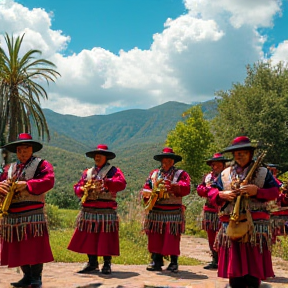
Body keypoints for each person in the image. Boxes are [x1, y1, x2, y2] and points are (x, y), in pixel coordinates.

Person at [208, 136, 279, 288]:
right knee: (235, 269)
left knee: (253, 269)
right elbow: (212, 191)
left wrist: (257, 192)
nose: (239, 155)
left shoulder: (263, 172)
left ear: (250, 154)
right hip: (232, 224)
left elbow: (275, 192)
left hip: (255, 225)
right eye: (236, 153)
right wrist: (221, 195)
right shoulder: (225, 174)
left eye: (243, 152)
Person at [0, 133, 55, 288]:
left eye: (25, 149)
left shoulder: (42, 165)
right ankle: (26, 276)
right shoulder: (10, 169)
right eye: (19, 150)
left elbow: (48, 180)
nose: (22, 153)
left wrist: (27, 184)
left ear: (32, 149)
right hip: (13, 213)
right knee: (19, 245)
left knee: (34, 245)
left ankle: (36, 278)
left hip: (32, 213)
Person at [68, 144, 126, 274]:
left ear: (106, 157)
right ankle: (92, 262)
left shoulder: (114, 171)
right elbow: (77, 187)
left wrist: (107, 182)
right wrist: (82, 189)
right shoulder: (88, 172)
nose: (97, 157)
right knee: (90, 237)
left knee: (106, 237)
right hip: (89, 209)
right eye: (96, 155)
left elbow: (121, 184)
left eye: (100, 155)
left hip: (105, 209)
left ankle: (106, 263)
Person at [140, 147, 190, 273]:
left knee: (172, 237)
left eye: (169, 159)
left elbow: (186, 187)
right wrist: (148, 193)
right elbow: (147, 186)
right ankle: (156, 260)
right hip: (156, 211)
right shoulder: (154, 174)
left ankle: (174, 262)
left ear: (173, 161)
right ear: (161, 161)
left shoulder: (181, 174)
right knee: (155, 236)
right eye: (164, 159)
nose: (166, 162)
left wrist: (174, 187)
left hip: (172, 212)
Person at [196, 152, 230, 269]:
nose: (215, 167)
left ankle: (225, 260)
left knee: (223, 236)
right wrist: (208, 190)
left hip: (224, 211)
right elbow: (200, 189)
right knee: (211, 236)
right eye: (213, 165)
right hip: (210, 211)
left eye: (218, 165)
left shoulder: (228, 177)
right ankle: (215, 259)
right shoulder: (208, 177)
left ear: (223, 165)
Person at [266, 164, 288, 243]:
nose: (271, 172)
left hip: (281, 213)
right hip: (269, 213)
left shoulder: (280, 184)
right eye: (269, 170)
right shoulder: (264, 182)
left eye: (273, 170)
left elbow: (283, 199)